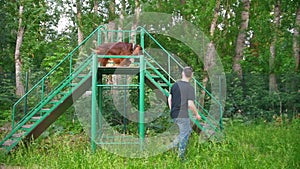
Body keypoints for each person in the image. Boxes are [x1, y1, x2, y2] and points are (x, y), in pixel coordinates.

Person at [168, 66, 201, 160]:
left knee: (187, 131)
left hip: (174, 113)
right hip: (182, 114)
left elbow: (170, 98)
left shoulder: (175, 85)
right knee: (184, 134)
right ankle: (180, 157)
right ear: (191, 76)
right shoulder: (190, 88)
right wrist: (197, 114)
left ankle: (173, 147)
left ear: (182, 73)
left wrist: (172, 110)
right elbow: (190, 104)